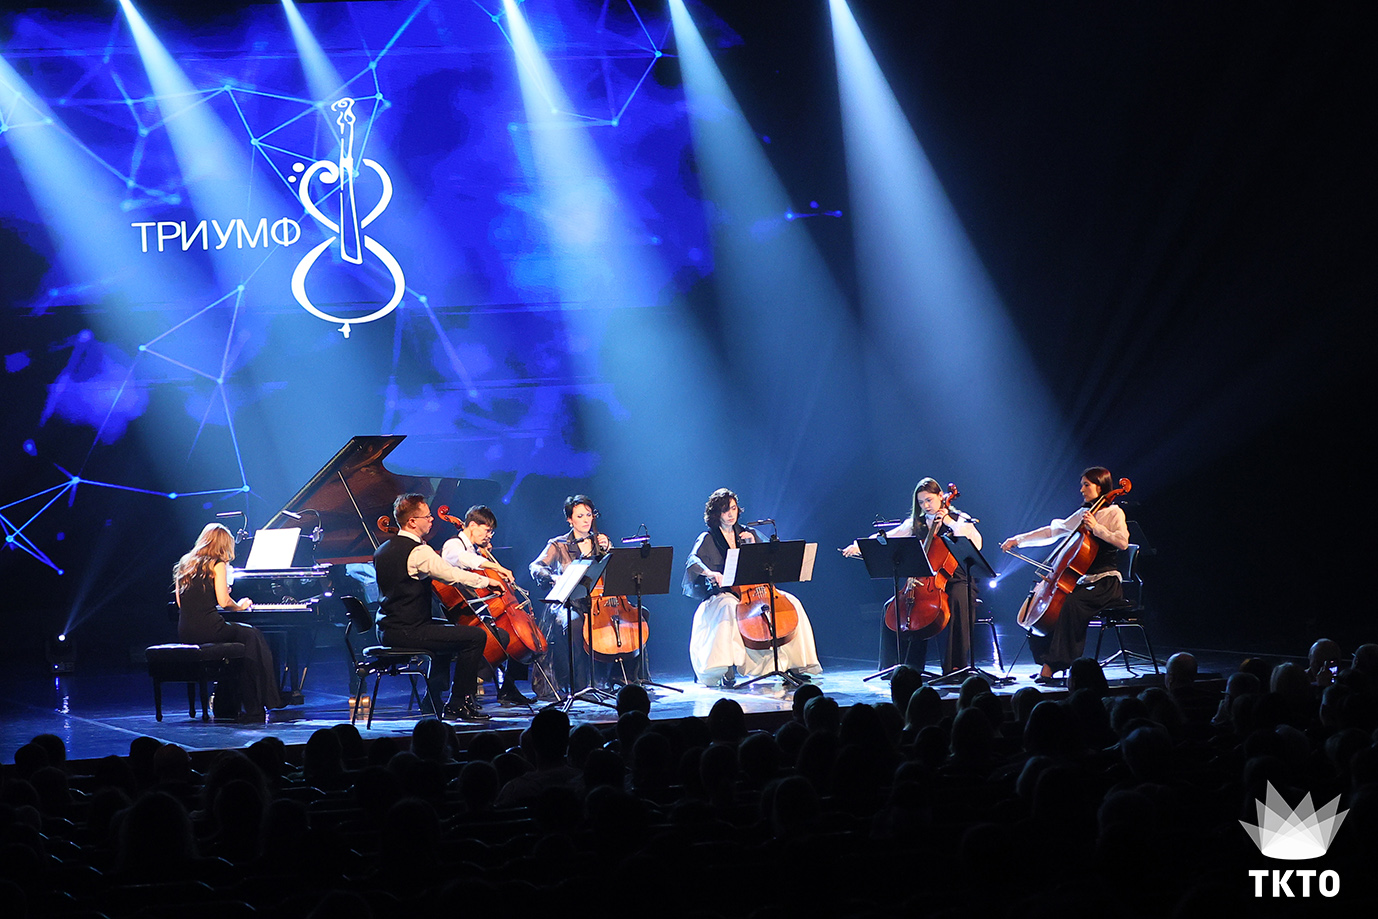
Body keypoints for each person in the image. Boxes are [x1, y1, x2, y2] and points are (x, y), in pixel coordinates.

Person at [373, 493, 500, 722]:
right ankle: (458, 702)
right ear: (412, 521)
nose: (432, 519)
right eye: (427, 516)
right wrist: (486, 581)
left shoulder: (382, 550)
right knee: (476, 636)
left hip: (387, 628)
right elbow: (450, 574)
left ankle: (431, 700)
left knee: (449, 631)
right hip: (408, 631)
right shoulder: (418, 551)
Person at [1000, 466, 1130, 682]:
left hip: (1106, 583)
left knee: (1071, 604)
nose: (1082, 489)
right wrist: (1018, 540)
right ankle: (1046, 662)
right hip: (1084, 582)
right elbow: (1053, 531)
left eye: (1086, 485)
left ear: (1100, 486)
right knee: (1053, 607)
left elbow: (1123, 542)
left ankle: (1054, 665)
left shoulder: (1113, 512)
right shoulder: (1083, 514)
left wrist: (1096, 528)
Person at [682, 488, 821, 688]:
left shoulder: (748, 532)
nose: (730, 514)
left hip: (756, 591)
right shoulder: (708, 537)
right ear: (716, 513)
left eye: (733, 509)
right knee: (729, 607)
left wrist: (752, 545)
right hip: (726, 593)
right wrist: (711, 573)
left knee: (793, 603)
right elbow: (692, 560)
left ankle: (795, 665)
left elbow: (772, 555)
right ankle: (727, 669)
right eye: (725, 510)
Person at [843, 478, 982, 677]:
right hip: (924, 581)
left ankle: (955, 668)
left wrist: (948, 521)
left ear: (941, 496)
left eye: (929, 500)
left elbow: (976, 543)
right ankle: (899, 667)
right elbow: (888, 537)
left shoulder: (959, 519)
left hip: (955, 579)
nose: (926, 506)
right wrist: (859, 546)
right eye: (921, 502)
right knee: (892, 608)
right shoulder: (915, 523)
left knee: (958, 599)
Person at [173, 522, 283, 722]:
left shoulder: (185, 562)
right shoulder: (218, 564)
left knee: (246, 638)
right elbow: (224, 602)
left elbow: (181, 603)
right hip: (210, 628)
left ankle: (229, 704)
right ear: (223, 544)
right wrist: (240, 606)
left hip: (186, 631)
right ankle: (259, 704)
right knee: (252, 635)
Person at [441, 504, 534, 705]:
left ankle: (508, 687)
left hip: (478, 609)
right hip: (460, 613)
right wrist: (495, 566)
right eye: (487, 530)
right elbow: (463, 559)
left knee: (520, 635)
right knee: (503, 636)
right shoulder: (453, 544)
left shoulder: (476, 550)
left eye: (492, 532)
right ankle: (469, 687)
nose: (489, 535)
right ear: (473, 525)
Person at [529, 494, 613, 700]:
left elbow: (612, 573)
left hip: (597, 602)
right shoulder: (559, 544)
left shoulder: (599, 541)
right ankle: (580, 686)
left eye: (589, 515)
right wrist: (553, 577)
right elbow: (535, 566)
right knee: (575, 624)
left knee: (637, 617)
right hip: (568, 603)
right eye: (580, 516)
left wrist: (609, 550)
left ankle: (623, 679)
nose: (586, 520)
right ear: (570, 520)